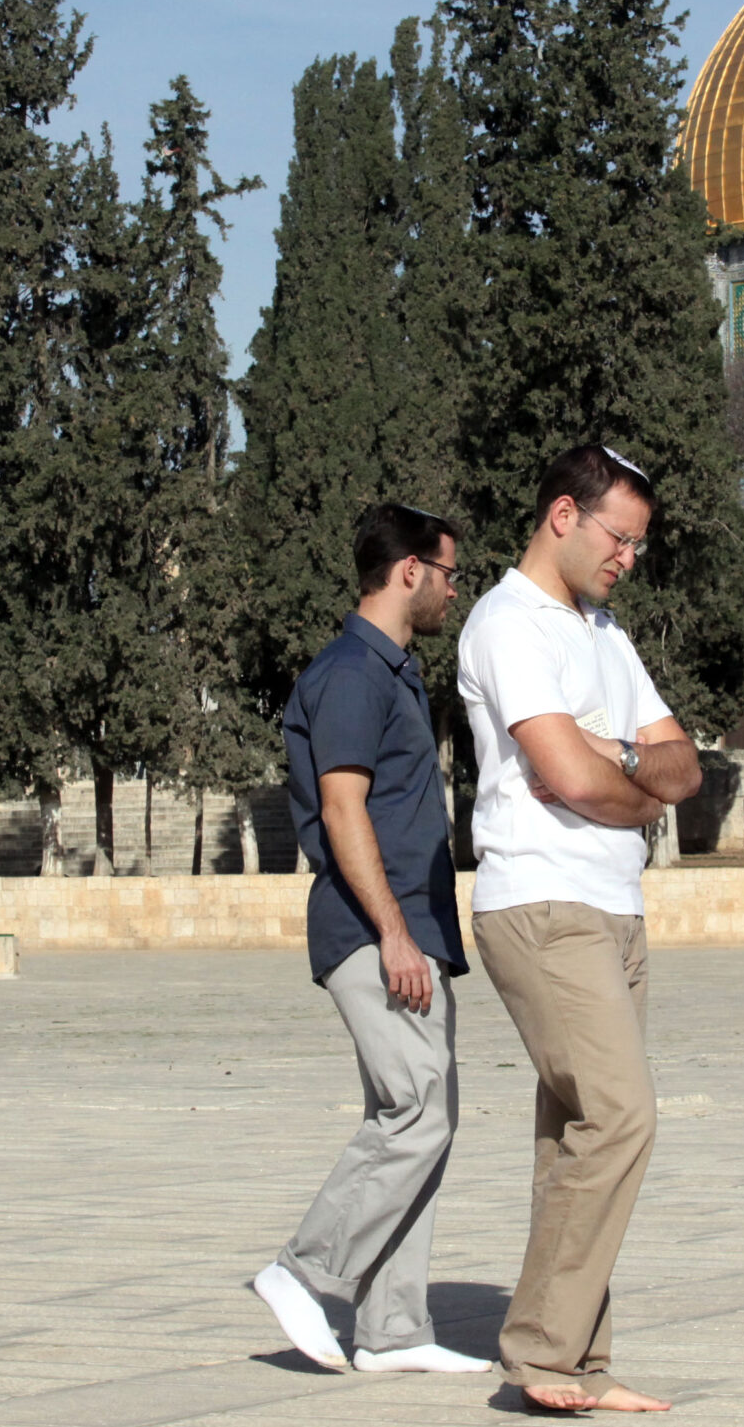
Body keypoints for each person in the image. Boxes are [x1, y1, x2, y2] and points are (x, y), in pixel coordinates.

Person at [457, 445, 702, 1415]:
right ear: (563, 513)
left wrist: (623, 758)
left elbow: (683, 766)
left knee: (574, 1133)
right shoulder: (506, 624)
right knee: (621, 1113)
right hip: (542, 902)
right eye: (618, 537)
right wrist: (624, 773)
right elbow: (564, 773)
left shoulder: (604, 633)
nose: (627, 559)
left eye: (638, 545)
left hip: (616, 909)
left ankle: (581, 1364)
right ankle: (543, 1352)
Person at [252, 504, 490, 1377]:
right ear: (409, 571)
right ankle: (303, 1270)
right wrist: (392, 931)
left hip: (409, 929)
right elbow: (343, 807)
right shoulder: (353, 671)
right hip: (372, 928)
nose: (454, 588)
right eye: (449, 572)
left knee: (425, 1115)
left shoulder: (390, 670)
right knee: (415, 1109)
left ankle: (392, 1328)